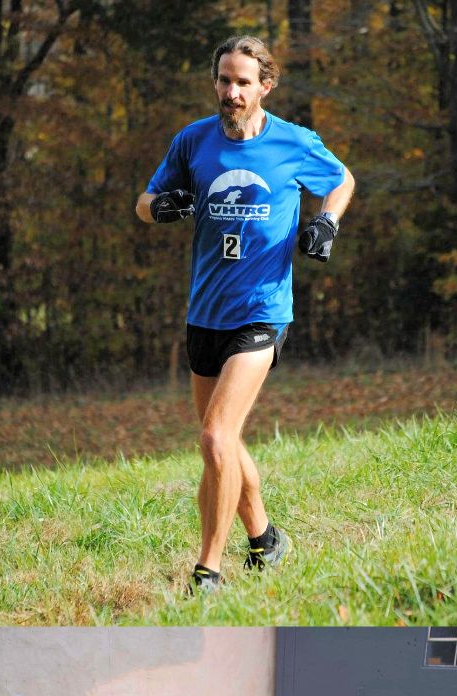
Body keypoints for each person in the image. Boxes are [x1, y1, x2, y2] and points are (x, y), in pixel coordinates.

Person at [136, 35, 355, 593]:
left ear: (265, 86)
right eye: (224, 80)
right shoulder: (193, 141)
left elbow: (342, 180)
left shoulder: (294, 142)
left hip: (262, 311)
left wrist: (326, 222)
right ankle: (265, 539)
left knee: (215, 438)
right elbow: (144, 203)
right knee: (223, 442)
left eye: (243, 82)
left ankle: (207, 571)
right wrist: (162, 207)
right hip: (204, 313)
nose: (231, 92)